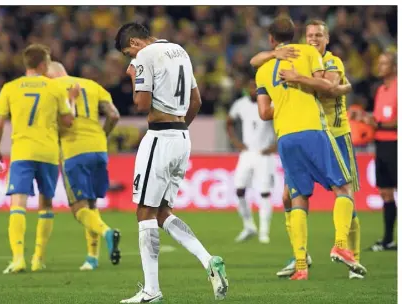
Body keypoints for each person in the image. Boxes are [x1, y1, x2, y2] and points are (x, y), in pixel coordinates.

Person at [115, 23, 228, 303]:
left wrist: (133, 76)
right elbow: (197, 101)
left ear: (134, 42)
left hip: (160, 138)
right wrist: (178, 128)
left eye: (128, 51)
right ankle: (208, 260)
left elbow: (141, 104)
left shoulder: (144, 56)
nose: (130, 58)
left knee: (144, 212)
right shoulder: (180, 52)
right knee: (162, 212)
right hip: (181, 138)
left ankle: (151, 290)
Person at [251, 19, 365, 279]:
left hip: (288, 136)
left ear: (271, 39)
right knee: (342, 189)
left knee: (297, 197)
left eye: (318, 35)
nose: (313, 39)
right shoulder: (308, 54)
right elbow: (328, 86)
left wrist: (284, 102)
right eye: (310, 34)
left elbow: (264, 112)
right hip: (315, 130)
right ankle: (338, 246)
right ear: (299, 36)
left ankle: (304, 265)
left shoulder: (262, 69)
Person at [0, 44, 77, 273]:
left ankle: (18, 258)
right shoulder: (54, 88)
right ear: (42, 65)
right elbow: (69, 122)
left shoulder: (10, 88)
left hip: (22, 152)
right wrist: (72, 100)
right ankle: (38, 259)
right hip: (48, 154)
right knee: (46, 204)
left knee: (17, 204)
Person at [46, 61, 122, 269]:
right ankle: (92, 258)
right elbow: (114, 115)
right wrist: (102, 135)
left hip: (73, 151)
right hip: (99, 149)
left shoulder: (51, 89)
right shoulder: (92, 85)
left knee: (79, 209)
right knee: (91, 204)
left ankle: (108, 232)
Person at [226, 78, 276, 244]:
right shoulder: (241, 104)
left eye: (256, 88)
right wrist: (236, 143)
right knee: (239, 190)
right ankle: (248, 226)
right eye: (250, 87)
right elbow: (229, 122)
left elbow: (283, 123)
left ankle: (264, 232)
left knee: (264, 193)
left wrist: (275, 145)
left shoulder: (271, 104)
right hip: (247, 153)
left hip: (264, 154)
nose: (252, 91)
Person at [360, 51, 397, 251]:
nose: (380, 66)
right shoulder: (381, 89)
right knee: (385, 192)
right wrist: (364, 117)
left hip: (395, 144)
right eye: (379, 63)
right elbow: (378, 119)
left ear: (394, 67)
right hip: (381, 145)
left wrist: (377, 124)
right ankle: (388, 239)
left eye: (384, 63)